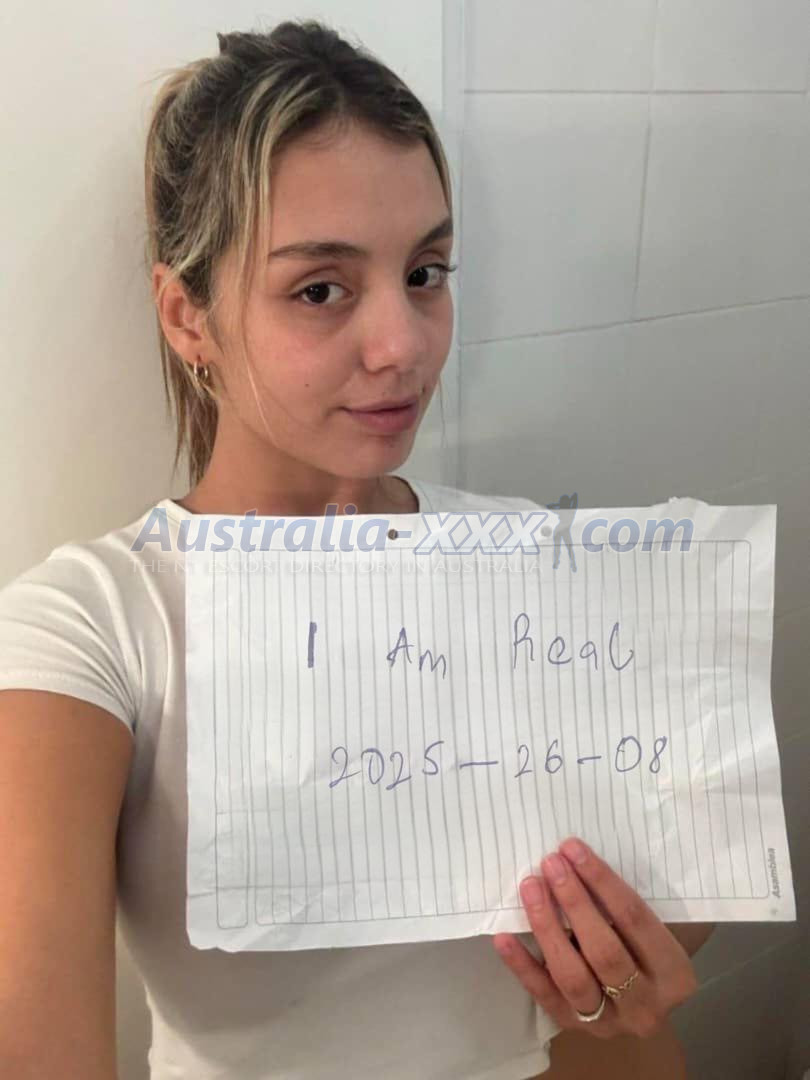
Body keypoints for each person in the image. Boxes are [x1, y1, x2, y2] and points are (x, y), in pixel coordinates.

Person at [0, 20, 713, 1079]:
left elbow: (642, 993)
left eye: (426, 272)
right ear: (186, 316)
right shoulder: (91, 628)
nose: (404, 345)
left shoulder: (533, 565)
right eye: (321, 290)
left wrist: (635, 966)